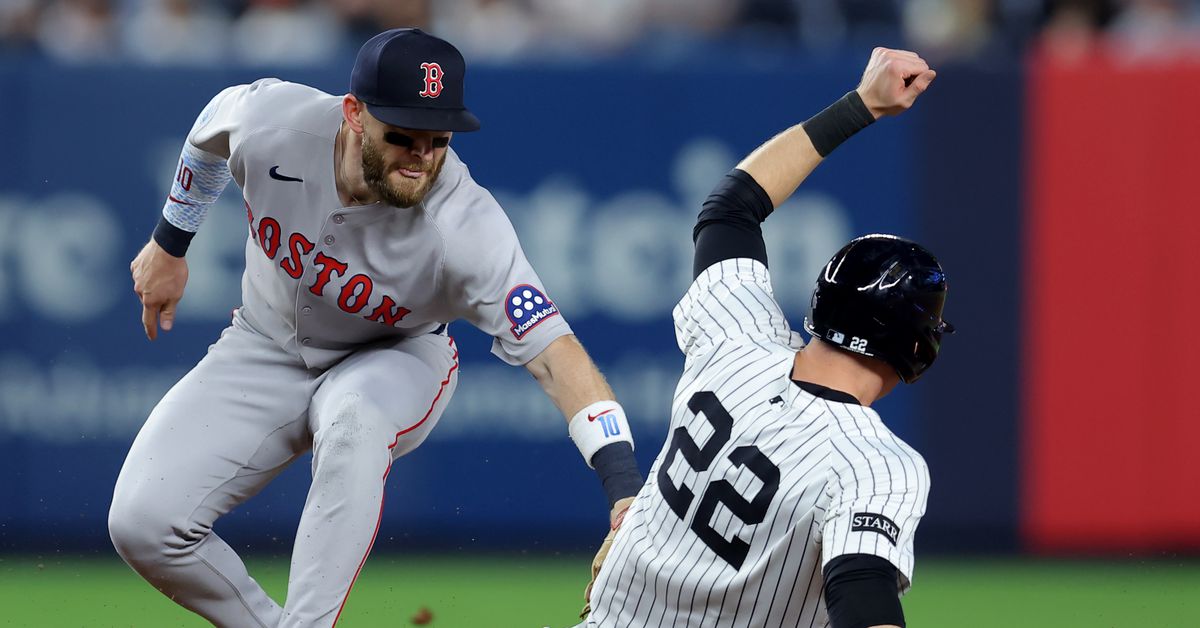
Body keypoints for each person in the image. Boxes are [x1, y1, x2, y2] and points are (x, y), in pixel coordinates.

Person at [108, 28, 643, 628]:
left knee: (354, 416)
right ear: (354, 113)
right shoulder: (272, 121)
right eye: (402, 135)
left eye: (438, 139)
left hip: (398, 358)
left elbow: (554, 353)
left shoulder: (465, 224)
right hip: (262, 344)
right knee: (142, 525)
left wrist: (622, 486)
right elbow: (208, 134)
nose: (422, 156)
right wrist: (170, 242)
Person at [580, 47, 949, 627]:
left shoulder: (737, 341)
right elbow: (862, 598)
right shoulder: (877, 465)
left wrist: (862, 104)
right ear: (916, 345)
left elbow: (731, 208)